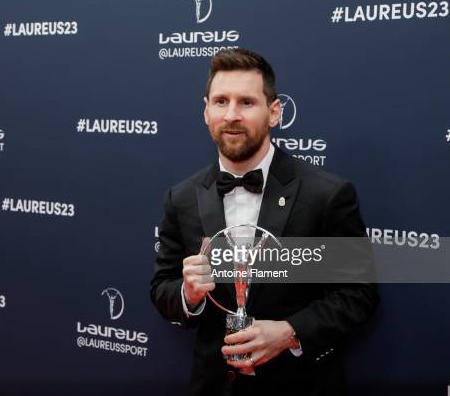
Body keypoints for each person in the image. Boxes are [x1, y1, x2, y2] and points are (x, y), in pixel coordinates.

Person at [150, 48, 379, 395]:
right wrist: (188, 294)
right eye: (221, 101)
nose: (231, 115)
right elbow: (162, 287)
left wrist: (290, 332)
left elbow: (359, 294)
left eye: (246, 102)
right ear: (206, 111)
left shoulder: (327, 194)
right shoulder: (180, 198)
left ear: (274, 112)